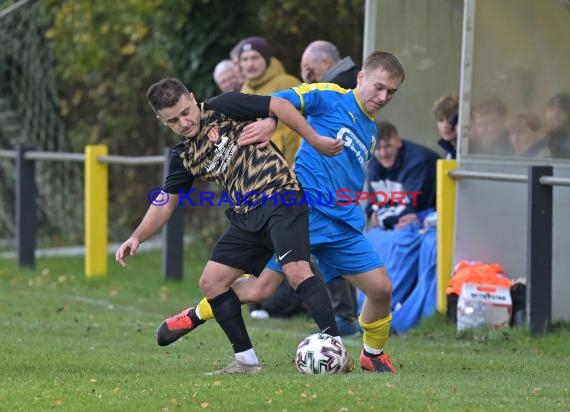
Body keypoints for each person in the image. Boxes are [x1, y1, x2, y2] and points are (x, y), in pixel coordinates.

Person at [157, 51, 406, 373]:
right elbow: (282, 99)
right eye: (379, 87)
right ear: (361, 78)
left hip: (342, 223)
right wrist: (269, 123)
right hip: (300, 211)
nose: (383, 96)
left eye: (391, 92)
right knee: (260, 289)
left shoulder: (371, 131)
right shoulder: (330, 96)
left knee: (381, 289)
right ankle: (197, 314)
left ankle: (372, 355)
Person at [115, 77, 345, 375]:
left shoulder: (223, 107)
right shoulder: (184, 157)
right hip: (246, 214)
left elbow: (278, 104)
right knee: (211, 282)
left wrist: (312, 139)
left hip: (281, 196)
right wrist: (137, 237)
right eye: (173, 120)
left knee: (296, 270)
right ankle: (247, 362)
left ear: (193, 97)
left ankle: (336, 348)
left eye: (186, 112)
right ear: (161, 121)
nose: (184, 122)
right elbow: (166, 201)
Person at [256, 39, 361, 336]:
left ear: (326, 64)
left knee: (324, 248)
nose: (306, 76)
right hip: (333, 186)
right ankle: (342, 316)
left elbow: (279, 100)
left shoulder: (333, 89)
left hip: (327, 188)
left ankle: (343, 317)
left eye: (308, 69)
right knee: (322, 249)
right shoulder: (352, 86)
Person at [238, 36, 301, 165]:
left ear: (266, 59)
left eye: (255, 57)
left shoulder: (288, 81)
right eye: (245, 59)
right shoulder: (243, 90)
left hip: (297, 161)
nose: (250, 64)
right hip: (268, 166)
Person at [366, 120, 440, 231]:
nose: (383, 153)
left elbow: (412, 209)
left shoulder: (419, 162)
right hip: (397, 229)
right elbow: (372, 207)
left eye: (387, 146)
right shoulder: (374, 166)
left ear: (398, 142)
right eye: (378, 148)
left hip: (432, 225)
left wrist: (380, 218)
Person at [432, 94, 459, 159]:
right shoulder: (449, 149)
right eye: (441, 120)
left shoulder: (471, 151)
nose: (445, 126)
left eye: (450, 120)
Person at [544, 92, 570, 158]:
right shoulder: (542, 141)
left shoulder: (566, 145)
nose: (554, 116)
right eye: (551, 109)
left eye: (560, 111)